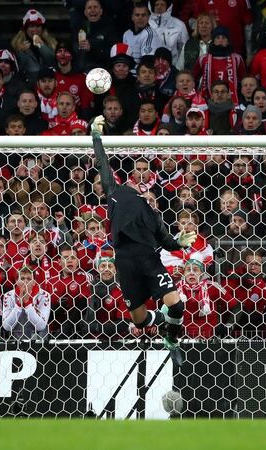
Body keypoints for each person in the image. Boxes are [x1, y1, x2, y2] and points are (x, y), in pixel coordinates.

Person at [90, 115, 195, 363]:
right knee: (139, 320)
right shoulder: (115, 194)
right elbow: (102, 163)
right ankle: (161, 318)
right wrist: (96, 137)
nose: (141, 183)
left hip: (149, 260)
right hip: (125, 263)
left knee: (177, 305)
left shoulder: (152, 214)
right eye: (137, 177)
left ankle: (171, 339)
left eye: (146, 181)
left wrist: (179, 243)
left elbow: (167, 241)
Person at [1, 265, 51, 340]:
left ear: (34, 282)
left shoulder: (44, 295)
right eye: (22, 278)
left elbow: (41, 326)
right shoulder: (8, 296)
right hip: (16, 340)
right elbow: (7, 326)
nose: (25, 281)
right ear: (16, 281)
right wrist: (19, 304)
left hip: (39, 341)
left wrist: (28, 303)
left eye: (29, 279)